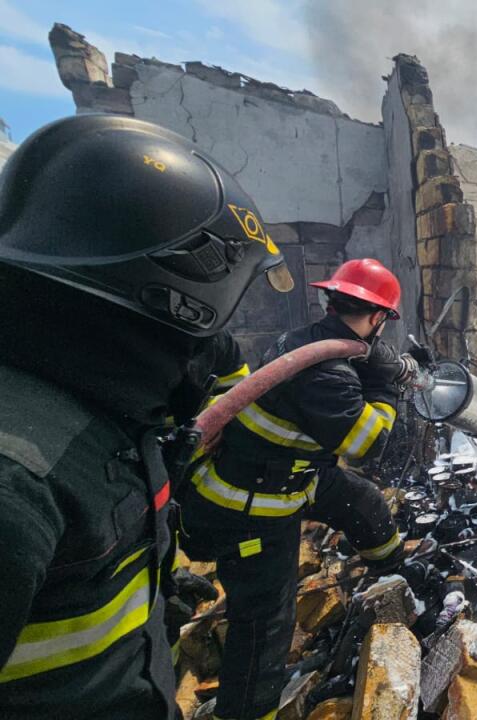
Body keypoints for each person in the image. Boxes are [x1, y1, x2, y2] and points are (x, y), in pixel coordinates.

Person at [0, 114, 293, 718]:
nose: (220, 339)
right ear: (181, 297)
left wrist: (145, 589)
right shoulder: (18, 479)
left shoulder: (110, 411)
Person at [179, 258, 419, 720]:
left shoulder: (305, 340)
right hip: (250, 505)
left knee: (362, 501)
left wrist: (374, 365)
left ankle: (391, 572)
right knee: (266, 625)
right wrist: (385, 387)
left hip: (292, 473)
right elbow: (367, 445)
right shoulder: (328, 374)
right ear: (377, 317)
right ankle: (248, 712)